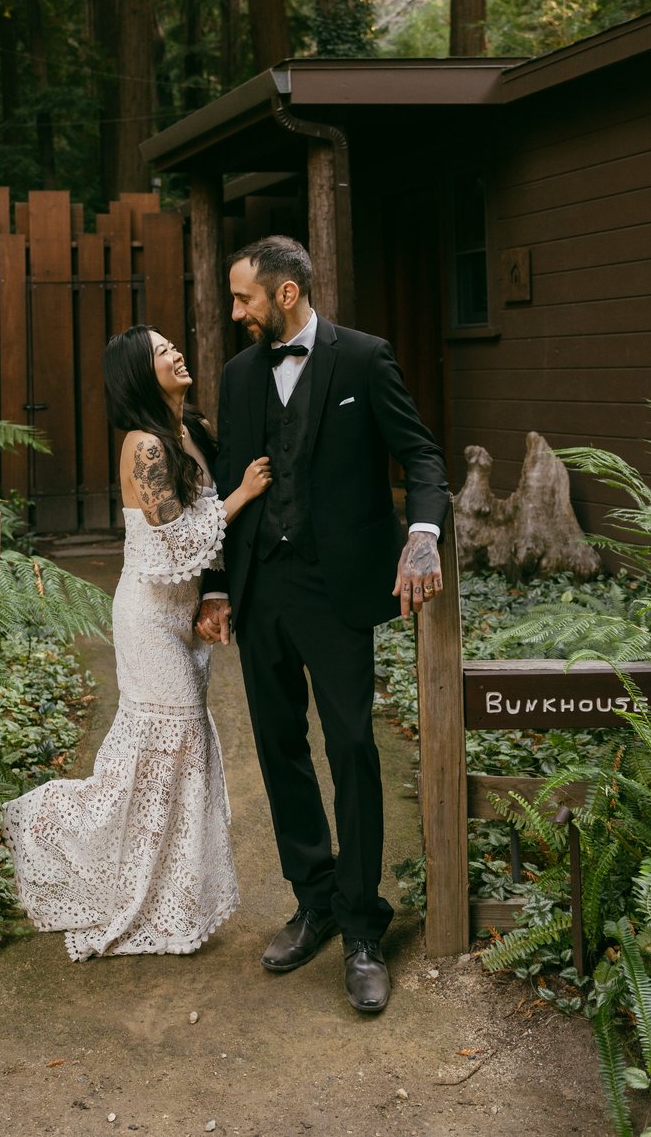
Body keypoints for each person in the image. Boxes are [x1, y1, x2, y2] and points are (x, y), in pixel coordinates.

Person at [196, 235, 449, 1013]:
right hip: (260, 589)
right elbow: (222, 484)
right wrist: (215, 585)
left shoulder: (365, 359)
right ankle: (313, 900)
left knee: (351, 748)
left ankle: (364, 926)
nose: (235, 313)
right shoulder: (241, 377)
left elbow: (422, 455)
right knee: (278, 748)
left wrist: (423, 534)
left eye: (244, 299)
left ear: (286, 295)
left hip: (336, 594)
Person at [3, 324, 272, 960]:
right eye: (160, 351)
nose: (175, 351)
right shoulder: (144, 446)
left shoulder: (191, 430)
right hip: (148, 620)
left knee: (181, 754)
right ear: (139, 374)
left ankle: (168, 896)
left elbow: (202, 555)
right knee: (166, 748)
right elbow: (175, 541)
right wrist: (240, 495)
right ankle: (44, 830)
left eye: (171, 344)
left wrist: (216, 593)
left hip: (183, 620)